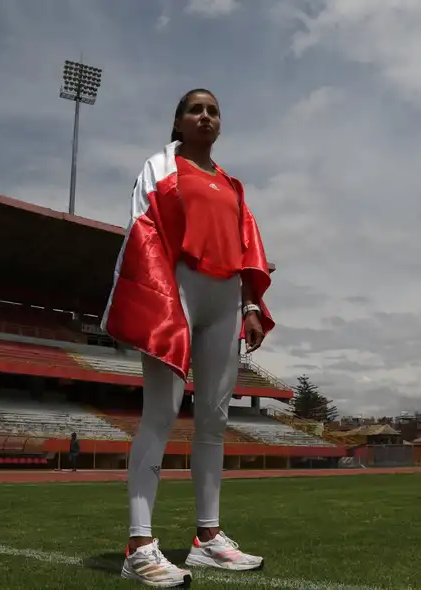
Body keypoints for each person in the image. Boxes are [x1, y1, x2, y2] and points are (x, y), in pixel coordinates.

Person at [101, 89, 275, 588]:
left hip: (224, 302)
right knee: (160, 414)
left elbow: (247, 251)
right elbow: (143, 231)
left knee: (214, 421)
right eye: (195, 109)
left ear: (221, 124)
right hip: (177, 289)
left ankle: (208, 540)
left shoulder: (232, 185)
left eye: (214, 110)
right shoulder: (159, 168)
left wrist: (249, 307)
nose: (205, 115)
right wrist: (162, 302)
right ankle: (138, 545)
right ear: (177, 121)